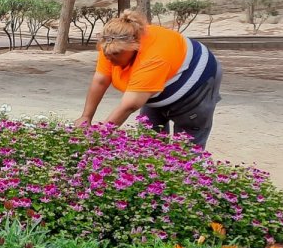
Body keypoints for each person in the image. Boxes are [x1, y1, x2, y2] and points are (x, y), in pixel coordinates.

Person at [74, 9, 222, 148]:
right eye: (106, 54)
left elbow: (129, 105)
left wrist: (98, 138)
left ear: (135, 46)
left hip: (196, 81)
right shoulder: (111, 44)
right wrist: (86, 117)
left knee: (186, 145)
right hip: (156, 80)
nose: (109, 58)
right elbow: (100, 81)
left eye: (116, 54)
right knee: (149, 136)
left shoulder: (153, 58)